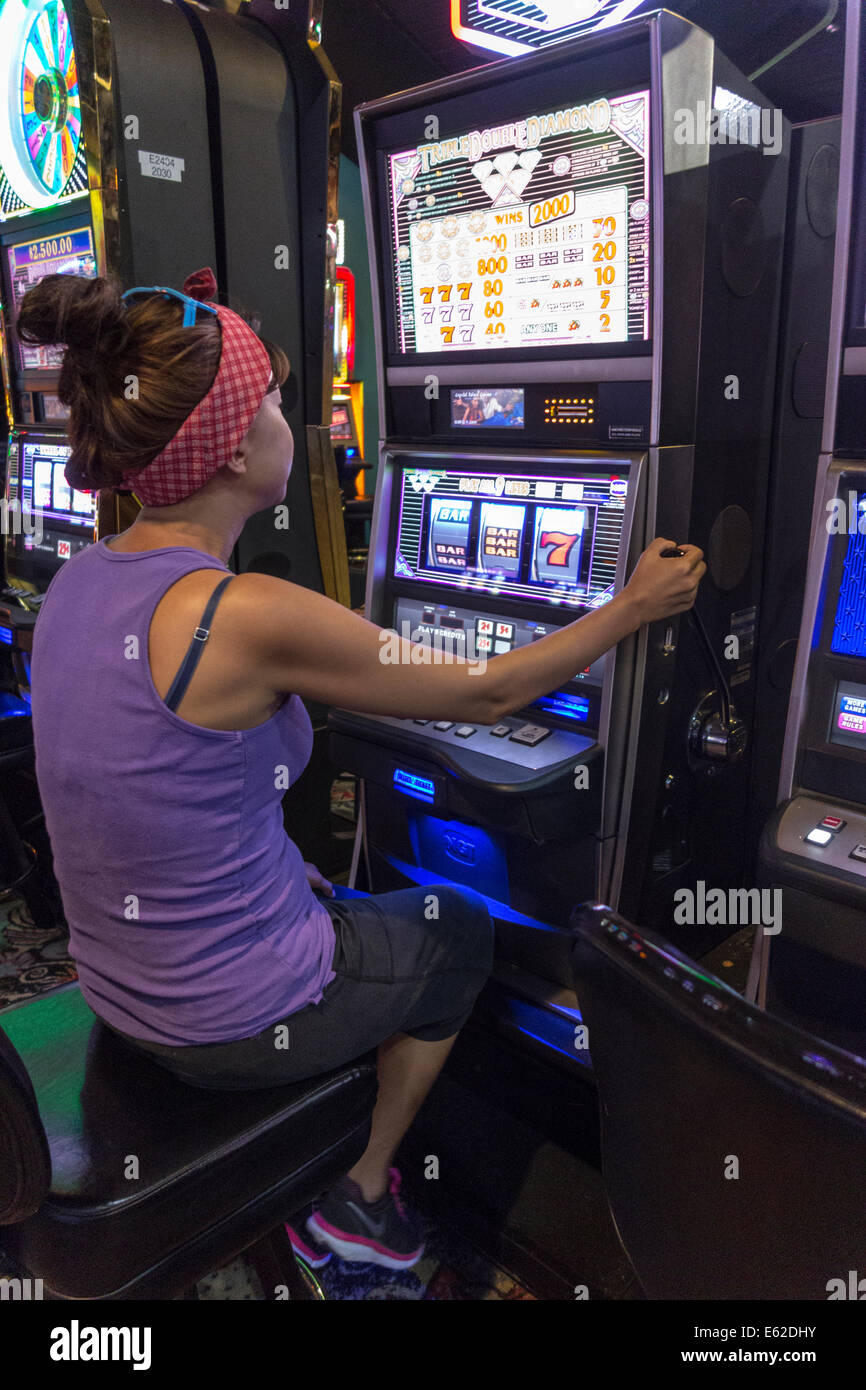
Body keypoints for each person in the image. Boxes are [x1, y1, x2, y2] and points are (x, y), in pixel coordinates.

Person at [20, 269, 706, 1274]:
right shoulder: (243, 613)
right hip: (222, 1020)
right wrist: (628, 608)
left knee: (343, 883)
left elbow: (151, 796)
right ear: (229, 449)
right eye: (270, 400)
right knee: (457, 929)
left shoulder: (80, 580)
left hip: (123, 992)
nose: (285, 416)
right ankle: (360, 1195)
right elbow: (484, 691)